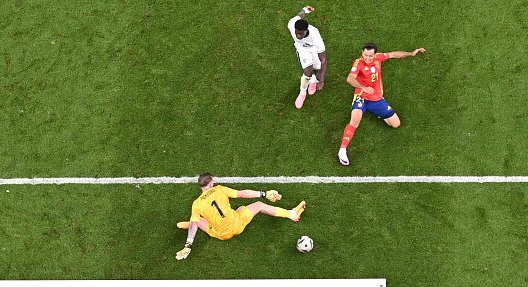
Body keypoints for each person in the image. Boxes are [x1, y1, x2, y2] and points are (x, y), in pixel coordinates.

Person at [175, 173, 306, 260]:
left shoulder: (196, 204)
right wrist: (264, 194)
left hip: (221, 234)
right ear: (210, 184)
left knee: (195, 221)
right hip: (237, 224)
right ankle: (291, 214)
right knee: (258, 205)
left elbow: (195, 222)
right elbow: (243, 194)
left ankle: (194, 224)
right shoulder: (219, 189)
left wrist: (188, 245)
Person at [338, 42, 426, 165]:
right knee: (355, 119)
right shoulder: (358, 63)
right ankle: (342, 150)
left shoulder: (379, 57)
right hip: (361, 97)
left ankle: (377, 112)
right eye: (365, 55)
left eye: (370, 56)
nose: (367, 58)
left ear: (375, 54)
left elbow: (394, 54)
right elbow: (350, 79)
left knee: (396, 124)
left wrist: (411, 53)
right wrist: (363, 87)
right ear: (362, 53)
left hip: (376, 98)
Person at [288, 6, 326, 109]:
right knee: (308, 70)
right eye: (296, 32)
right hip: (302, 49)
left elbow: (323, 59)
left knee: (318, 67)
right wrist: (305, 10)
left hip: (313, 49)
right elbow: (299, 16)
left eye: (301, 33)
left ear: (306, 30)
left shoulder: (315, 36)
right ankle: (302, 93)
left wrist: (321, 81)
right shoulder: (292, 24)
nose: (298, 35)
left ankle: (314, 80)